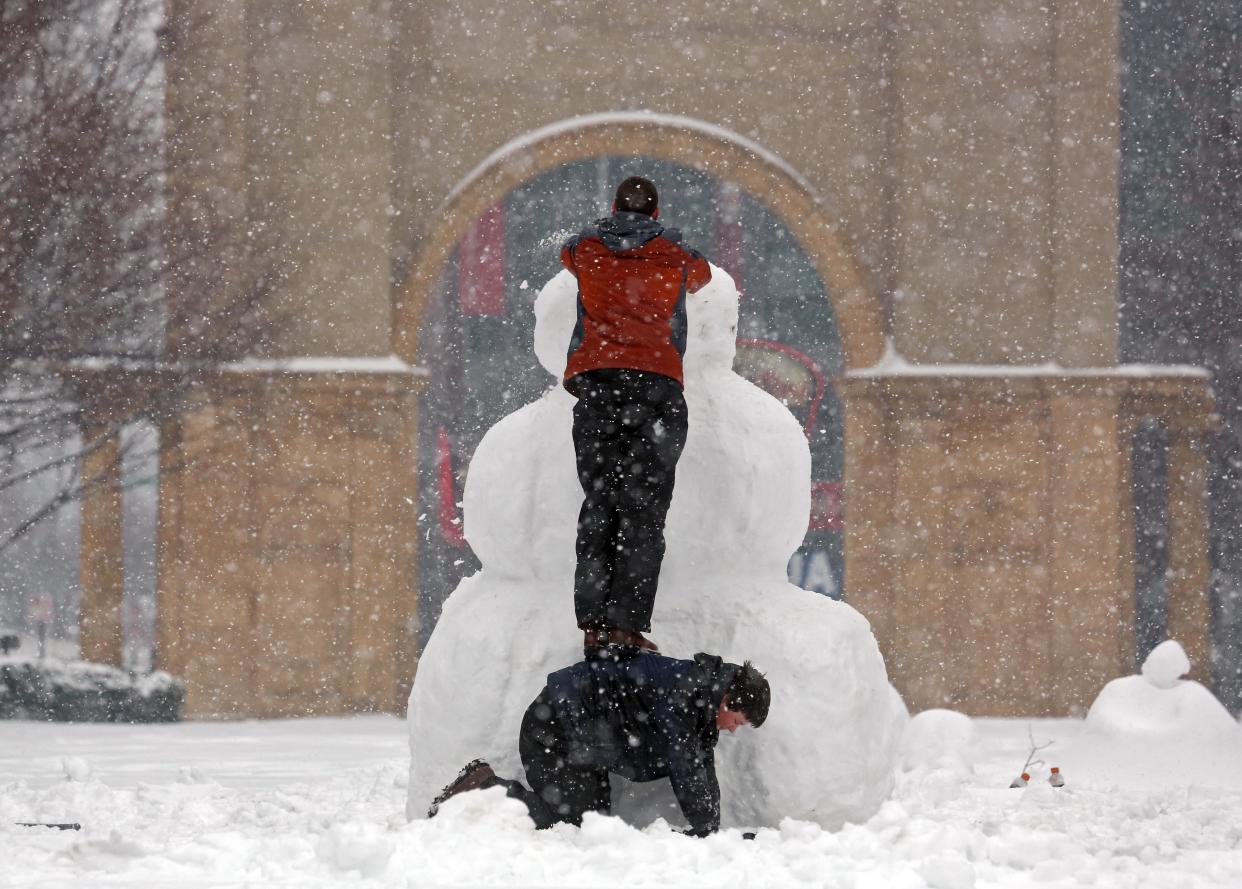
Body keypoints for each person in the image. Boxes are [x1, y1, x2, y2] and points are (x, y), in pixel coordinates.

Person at [560, 176, 713, 654]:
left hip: (597, 381)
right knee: (643, 513)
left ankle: (592, 626)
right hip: (656, 386)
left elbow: (566, 256)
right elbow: (704, 276)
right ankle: (627, 626)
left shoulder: (586, 247)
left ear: (613, 206)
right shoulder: (676, 252)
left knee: (598, 505)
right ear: (656, 211)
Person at [428, 651, 770, 837]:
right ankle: (483, 786)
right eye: (738, 722)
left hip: (583, 741)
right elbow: (685, 765)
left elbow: (699, 764)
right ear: (727, 700)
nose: (734, 730)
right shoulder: (685, 694)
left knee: (592, 823)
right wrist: (707, 831)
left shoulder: (698, 699)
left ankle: (488, 789)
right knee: (566, 821)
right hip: (555, 730)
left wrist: (711, 828)